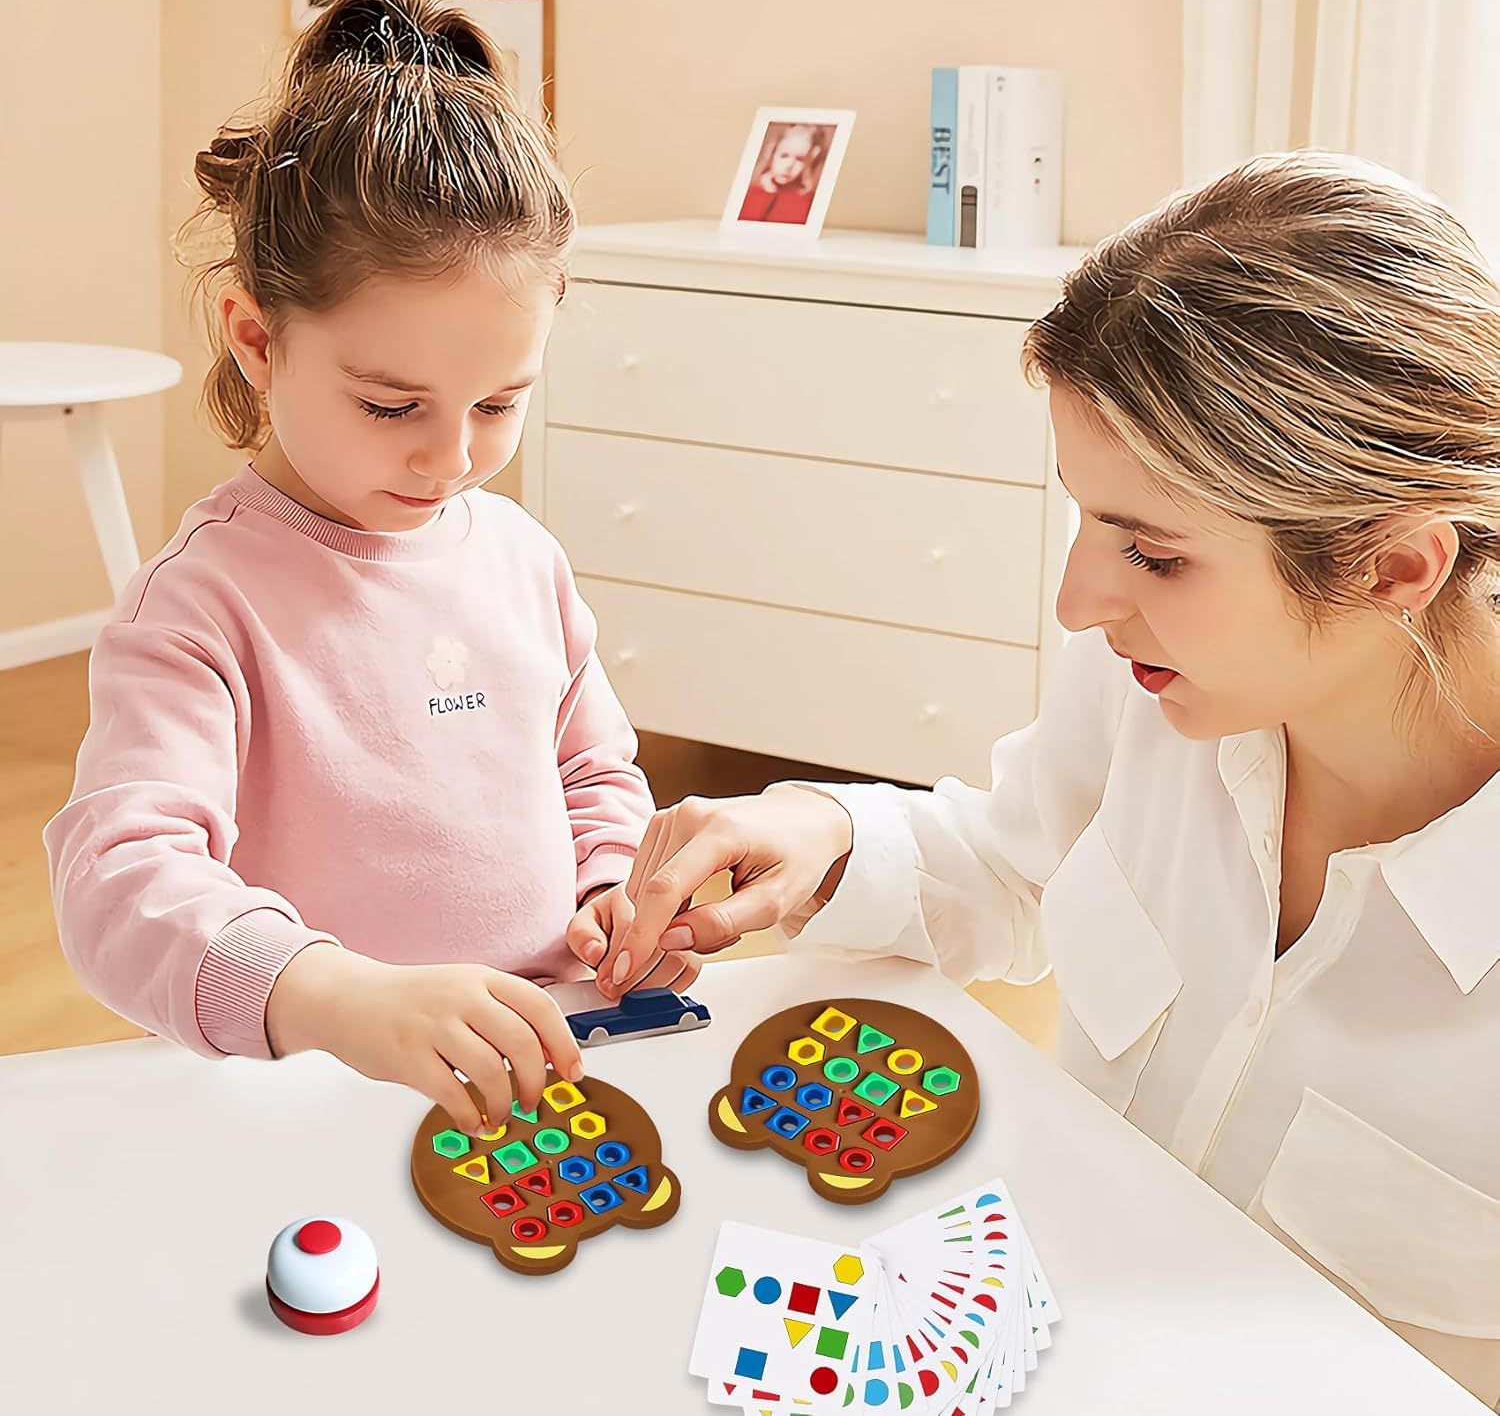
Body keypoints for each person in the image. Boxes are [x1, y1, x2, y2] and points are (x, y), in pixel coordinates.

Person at [613, 153, 1500, 1404]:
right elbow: (1012, 862)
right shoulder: (1164, 682)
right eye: (1087, 520)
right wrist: (818, 827)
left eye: (1152, 553)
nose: (1082, 603)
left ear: (1394, 568)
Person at [43, 0, 693, 1136]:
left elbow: (592, 777)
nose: (452, 458)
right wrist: (334, 998)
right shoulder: (198, 606)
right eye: (393, 404)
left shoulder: (524, 562)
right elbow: (120, 882)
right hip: (312, 1106)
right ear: (258, 339)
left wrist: (613, 891)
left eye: (500, 402)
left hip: (544, 1080)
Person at [738, 122, 826, 224]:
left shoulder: (808, 202)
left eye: (800, 159)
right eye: (784, 155)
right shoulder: (749, 192)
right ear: (772, 153)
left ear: (809, 161)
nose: (789, 165)